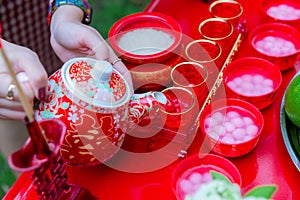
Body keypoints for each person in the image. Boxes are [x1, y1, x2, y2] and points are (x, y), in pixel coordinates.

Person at [0, 0, 133, 159]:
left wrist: (65, 14)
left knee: (62, 78)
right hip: (4, 66)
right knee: (13, 106)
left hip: (43, 24)